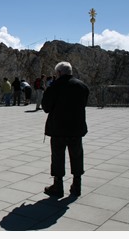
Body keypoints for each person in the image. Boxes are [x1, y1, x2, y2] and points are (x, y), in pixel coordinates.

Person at [42, 61, 89, 198]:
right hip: (76, 128)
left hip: (58, 128)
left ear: (59, 73)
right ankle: (77, 185)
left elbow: (46, 107)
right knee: (77, 155)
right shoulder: (82, 86)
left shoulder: (55, 86)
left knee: (58, 156)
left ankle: (58, 186)